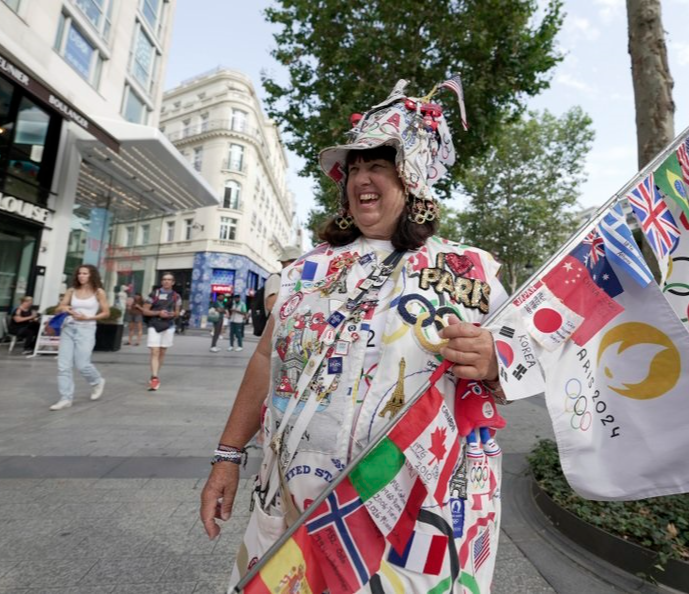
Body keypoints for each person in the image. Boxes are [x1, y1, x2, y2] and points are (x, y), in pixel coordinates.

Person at [201, 79, 516, 593]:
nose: (362, 179)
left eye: (378, 165)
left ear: (411, 179)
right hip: (296, 496)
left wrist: (493, 360)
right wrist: (227, 456)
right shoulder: (302, 272)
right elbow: (265, 360)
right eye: (354, 168)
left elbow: (519, 361)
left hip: (415, 507)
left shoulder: (469, 270)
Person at [49, 265, 109, 410]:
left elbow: (106, 312)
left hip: (86, 329)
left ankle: (97, 381)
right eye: (79, 273)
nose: (81, 276)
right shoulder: (71, 290)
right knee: (63, 365)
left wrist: (89, 317)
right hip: (69, 328)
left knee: (82, 364)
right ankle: (65, 398)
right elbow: (59, 307)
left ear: (91, 275)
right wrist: (65, 308)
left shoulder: (98, 292)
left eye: (85, 273)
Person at [141, 272, 181, 391]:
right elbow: (145, 311)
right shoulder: (154, 294)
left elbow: (177, 312)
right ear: (162, 281)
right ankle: (154, 378)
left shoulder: (176, 296)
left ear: (173, 282)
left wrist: (173, 314)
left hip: (168, 325)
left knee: (162, 352)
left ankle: (155, 375)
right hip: (154, 324)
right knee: (155, 351)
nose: (166, 281)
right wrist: (158, 313)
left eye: (169, 280)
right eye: (164, 279)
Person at [263, 246, 303, 317]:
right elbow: (270, 306)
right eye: (291, 261)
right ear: (282, 262)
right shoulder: (276, 278)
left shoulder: (298, 279)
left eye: (298, 261)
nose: (295, 264)